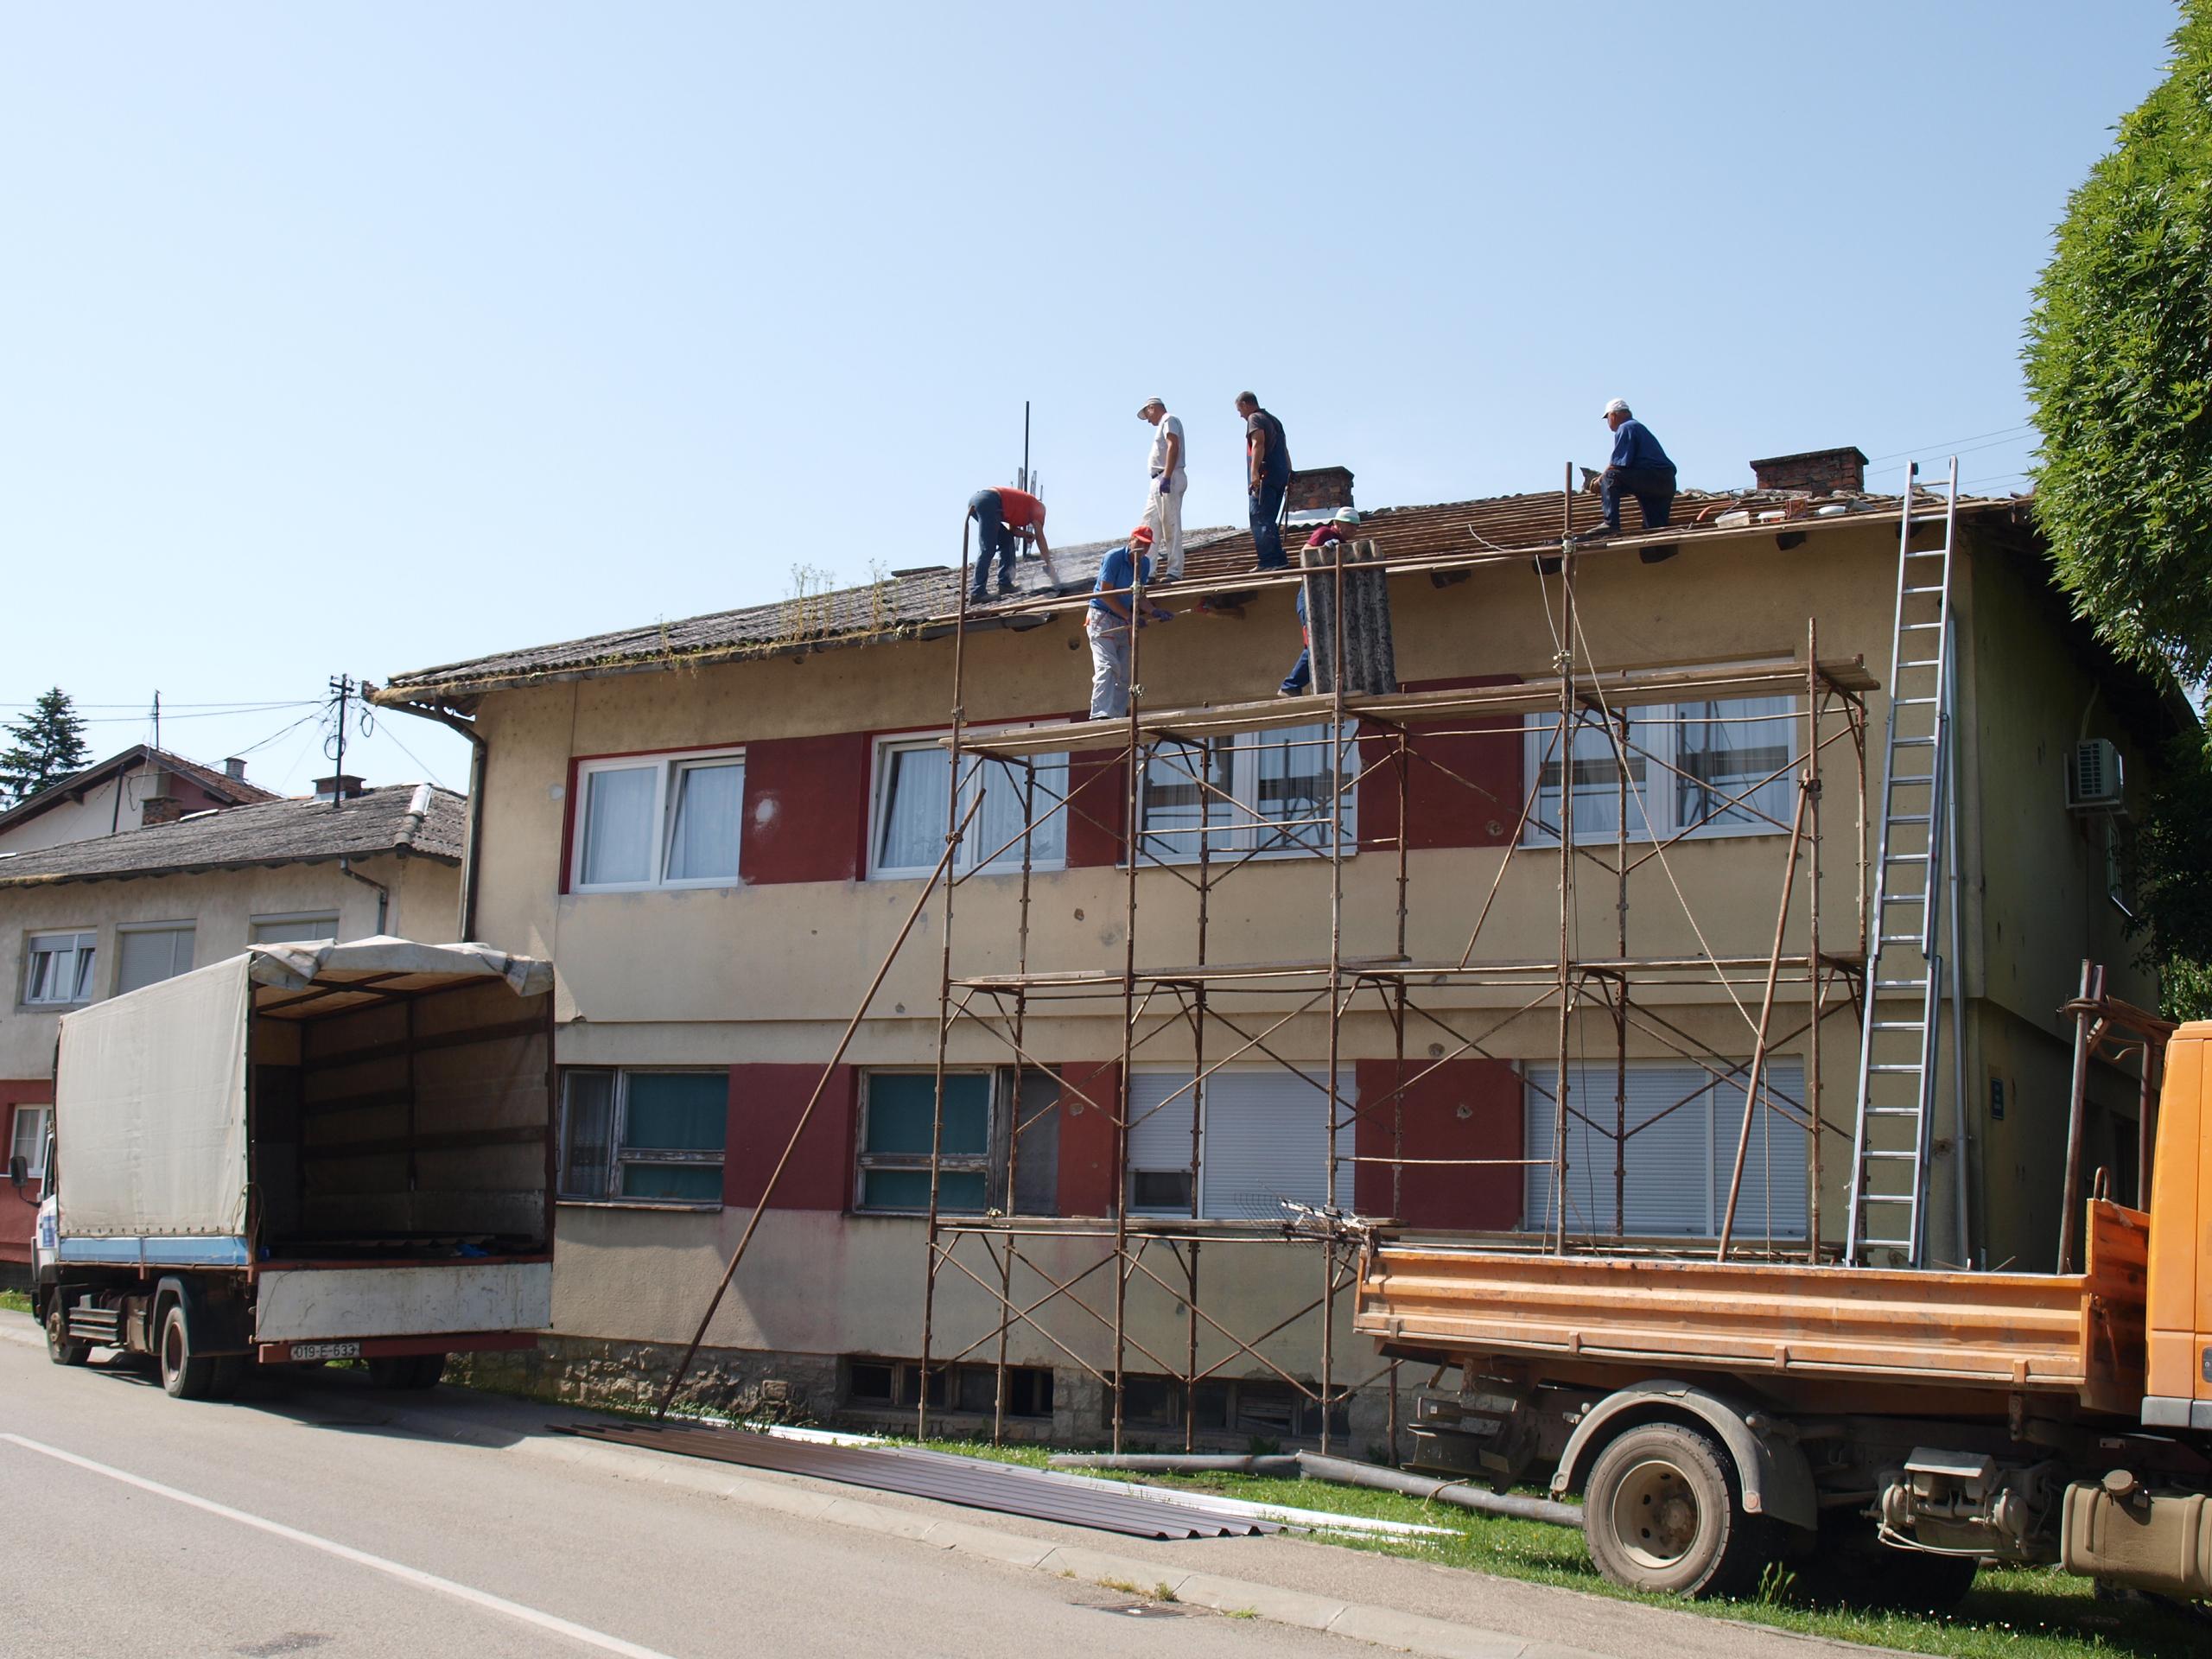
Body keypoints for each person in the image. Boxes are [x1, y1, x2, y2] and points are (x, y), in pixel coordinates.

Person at [1088, 524, 1172, 719]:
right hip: (1102, 617)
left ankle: (1115, 716)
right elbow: (1106, 593)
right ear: (1130, 540)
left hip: (1122, 618)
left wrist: (1154, 611)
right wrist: (1129, 616)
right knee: (1108, 666)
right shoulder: (1114, 558)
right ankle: (1100, 714)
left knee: (1124, 674)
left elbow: (1139, 595)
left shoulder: (1144, 565)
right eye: (1139, 542)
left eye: (1147, 545)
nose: (1142, 548)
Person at [1586, 398, 1679, 563]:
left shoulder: (1626, 427)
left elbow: (1617, 466)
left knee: (1611, 477)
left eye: (1607, 418)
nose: (1608, 422)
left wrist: (1598, 482)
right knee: (1654, 534)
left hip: (1652, 476)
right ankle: (1662, 552)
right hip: (1664, 483)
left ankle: (1610, 524)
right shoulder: (1637, 427)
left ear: (1614, 415)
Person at [1280, 507, 1359, 696]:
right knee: (1315, 642)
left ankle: (1294, 686)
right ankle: (1289, 686)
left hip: (1323, 599)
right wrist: (1323, 548)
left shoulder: (1341, 543)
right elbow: (1305, 553)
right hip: (1309, 596)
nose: (1354, 530)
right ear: (1337, 523)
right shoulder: (1325, 533)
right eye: (1350, 526)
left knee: (1325, 643)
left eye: (1356, 527)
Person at [966, 485, 1052, 601]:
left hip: (980, 500)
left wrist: (1025, 534)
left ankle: (1005, 584)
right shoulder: (1038, 508)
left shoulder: (1023, 506)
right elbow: (1040, 538)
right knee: (988, 548)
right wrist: (1049, 564)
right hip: (990, 501)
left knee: (1006, 539)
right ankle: (977, 592)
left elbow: (1012, 530)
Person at [1237, 391, 1293, 570]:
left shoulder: (1255, 418)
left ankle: (1269, 561)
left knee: (1260, 517)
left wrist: (1254, 473)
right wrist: (1290, 473)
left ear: (1245, 404)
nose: (1240, 415)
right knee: (1269, 518)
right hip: (1280, 474)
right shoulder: (1274, 420)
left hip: (1265, 475)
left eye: (1240, 410)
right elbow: (1284, 449)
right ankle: (1278, 559)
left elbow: (1258, 443)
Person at [1137, 397, 1187, 581]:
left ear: (1152, 408)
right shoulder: (1164, 423)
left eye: (1147, 414)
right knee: (1149, 527)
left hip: (1168, 476)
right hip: (1158, 479)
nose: (1148, 420)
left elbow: (1173, 445)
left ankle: (1175, 571)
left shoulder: (1169, 420)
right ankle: (1147, 572)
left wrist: (1166, 476)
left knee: (1170, 524)